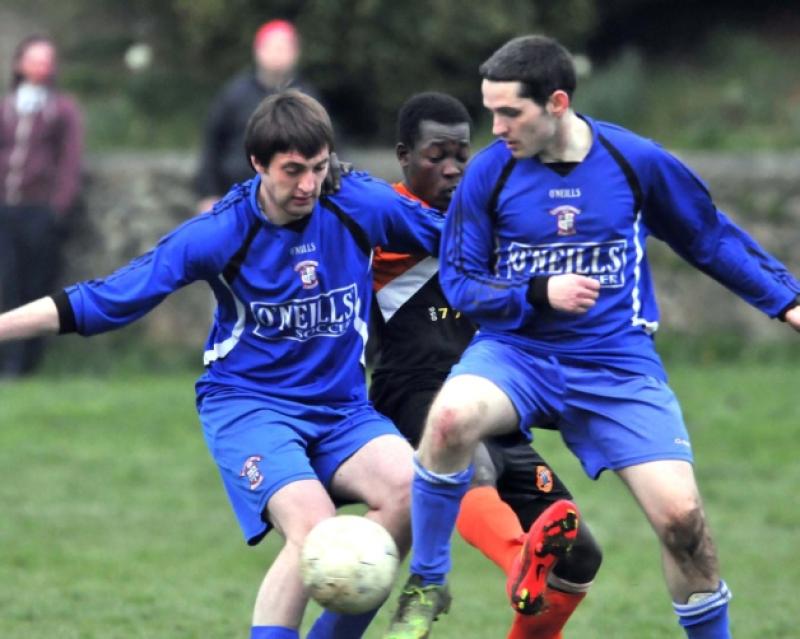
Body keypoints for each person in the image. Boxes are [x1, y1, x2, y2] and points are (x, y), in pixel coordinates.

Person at [383, 35, 800, 639]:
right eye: (489, 110)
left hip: (615, 364)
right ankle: (426, 580)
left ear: (556, 103)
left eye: (509, 113)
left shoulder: (635, 162)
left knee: (684, 524)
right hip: (517, 353)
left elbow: (710, 239)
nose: (494, 128)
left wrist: (787, 301)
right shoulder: (490, 178)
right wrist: (535, 293)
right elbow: (462, 282)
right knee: (449, 419)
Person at [0, 90, 444, 639]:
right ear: (258, 164)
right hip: (249, 407)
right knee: (314, 530)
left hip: (342, 409)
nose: (308, 184)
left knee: (411, 489)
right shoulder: (221, 231)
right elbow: (108, 298)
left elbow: (456, 240)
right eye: (293, 170)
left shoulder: (358, 203)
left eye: (319, 167)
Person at [370, 92, 601, 639]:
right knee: (469, 462)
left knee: (579, 554)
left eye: (461, 155)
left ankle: (533, 565)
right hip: (415, 393)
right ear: (404, 156)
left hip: (492, 392)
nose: (452, 168)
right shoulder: (379, 224)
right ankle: (520, 557)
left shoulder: (489, 220)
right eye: (435, 156)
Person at [0, 34, 83, 377]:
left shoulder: (61, 109)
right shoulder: (6, 106)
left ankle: (26, 364)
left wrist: (58, 208)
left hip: (39, 211)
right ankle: (8, 360)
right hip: (6, 209)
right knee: (7, 283)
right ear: (20, 64)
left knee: (36, 287)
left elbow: (70, 161)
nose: (40, 66)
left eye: (46, 60)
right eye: (34, 59)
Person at [194, 19, 318, 213]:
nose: (278, 54)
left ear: (296, 52)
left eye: (284, 48)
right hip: (236, 198)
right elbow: (212, 146)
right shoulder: (234, 94)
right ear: (258, 50)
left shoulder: (307, 97)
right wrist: (208, 194)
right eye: (272, 47)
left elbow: (326, 148)